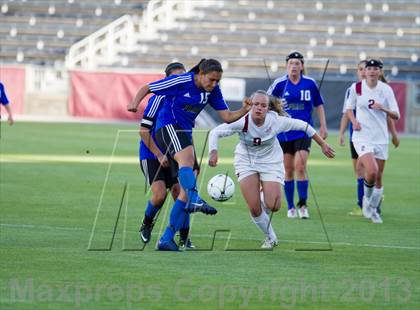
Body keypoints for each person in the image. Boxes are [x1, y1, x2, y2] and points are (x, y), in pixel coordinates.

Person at [128, 58, 252, 251]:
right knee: (160, 194)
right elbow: (146, 94)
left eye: (217, 81)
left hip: (183, 135)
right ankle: (152, 220)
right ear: (200, 74)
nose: (214, 84)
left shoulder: (212, 90)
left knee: (182, 191)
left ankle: (170, 238)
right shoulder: (176, 85)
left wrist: (245, 109)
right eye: (211, 80)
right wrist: (134, 103)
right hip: (164, 133)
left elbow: (227, 117)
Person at [208, 90, 334, 248]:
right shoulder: (242, 121)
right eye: (256, 104)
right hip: (246, 161)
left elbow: (304, 126)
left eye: (263, 105)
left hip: (270, 161)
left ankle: (263, 194)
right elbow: (215, 132)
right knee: (254, 209)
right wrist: (213, 152)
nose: (259, 108)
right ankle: (270, 237)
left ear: (268, 108)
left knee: (274, 205)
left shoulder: (276, 121)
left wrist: (322, 144)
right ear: (250, 105)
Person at [138, 62, 195, 249]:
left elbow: (187, 133)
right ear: (167, 80)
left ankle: (184, 237)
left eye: (182, 76)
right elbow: (143, 131)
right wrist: (159, 154)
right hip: (151, 153)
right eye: (175, 77)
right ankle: (147, 223)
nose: (179, 81)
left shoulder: (186, 101)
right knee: (160, 195)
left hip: (175, 155)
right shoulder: (158, 98)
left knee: (182, 193)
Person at [267, 51, 328, 219]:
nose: (294, 66)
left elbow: (319, 104)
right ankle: (291, 206)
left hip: (304, 131)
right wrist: (275, 107)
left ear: (302, 66)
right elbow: (266, 102)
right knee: (288, 169)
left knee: (300, 167)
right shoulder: (279, 84)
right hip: (284, 133)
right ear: (286, 66)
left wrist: (323, 125)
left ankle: (303, 205)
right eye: (291, 63)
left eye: (297, 63)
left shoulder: (310, 83)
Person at [339, 61, 400, 216]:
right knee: (368, 170)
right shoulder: (356, 88)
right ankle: (364, 202)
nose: (372, 71)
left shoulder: (386, 90)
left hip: (380, 138)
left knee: (377, 177)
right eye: (368, 69)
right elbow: (348, 110)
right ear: (363, 72)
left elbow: (395, 115)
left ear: (380, 72)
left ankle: (373, 206)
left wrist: (384, 109)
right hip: (361, 137)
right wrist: (352, 124)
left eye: (375, 69)